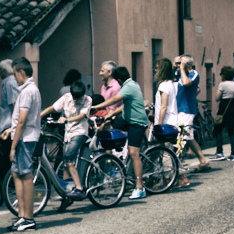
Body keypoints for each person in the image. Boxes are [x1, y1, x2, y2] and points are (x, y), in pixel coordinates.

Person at [95, 66, 149, 200]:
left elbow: (114, 100)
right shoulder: (131, 84)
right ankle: (115, 155)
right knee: (109, 127)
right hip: (127, 119)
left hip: (137, 122)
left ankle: (139, 187)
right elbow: (125, 105)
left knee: (133, 153)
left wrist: (97, 107)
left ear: (118, 79)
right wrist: (111, 114)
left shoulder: (129, 86)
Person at [1, 57, 42, 231]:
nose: (14, 78)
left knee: (25, 176)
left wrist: (12, 145)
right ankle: (22, 215)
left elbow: (23, 120)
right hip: (24, 136)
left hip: (25, 138)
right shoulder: (29, 89)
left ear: (21, 72)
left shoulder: (27, 91)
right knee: (17, 174)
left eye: (15, 74)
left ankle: (28, 217)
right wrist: (10, 131)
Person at [41, 80, 92, 212]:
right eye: (74, 97)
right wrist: (38, 116)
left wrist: (67, 119)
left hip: (80, 132)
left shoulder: (88, 100)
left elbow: (82, 116)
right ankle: (67, 195)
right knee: (65, 164)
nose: (76, 100)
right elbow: (52, 107)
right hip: (68, 134)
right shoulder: (67, 97)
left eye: (78, 98)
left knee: (68, 159)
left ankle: (79, 189)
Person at [154, 58, 189, 187]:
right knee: (170, 151)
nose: (155, 70)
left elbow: (164, 106)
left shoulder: (163, 86)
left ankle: (170, 178)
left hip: (166, 123)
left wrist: (158, 124)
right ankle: (182, 176)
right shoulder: (171, 84)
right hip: (172, 122)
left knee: (165, 152)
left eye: (157, 67)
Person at [177, 55, 211, 173]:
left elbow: (186, 83)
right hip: (179, 110)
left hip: (186, 111)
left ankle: (176, 165)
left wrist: (182, 68)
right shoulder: (179, 74)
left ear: (187, 64)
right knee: (189, 137)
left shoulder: (193, 74)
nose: (178, 66)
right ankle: (203, 161)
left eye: (180, 63)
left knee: (182, 136)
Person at [212, 66, 234, 161]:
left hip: (225, 106)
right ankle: (233, 153)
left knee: (218, 129)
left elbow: (217, 98)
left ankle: (219, 152)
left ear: (224, 75)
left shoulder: (222, 85)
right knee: (232, 131)